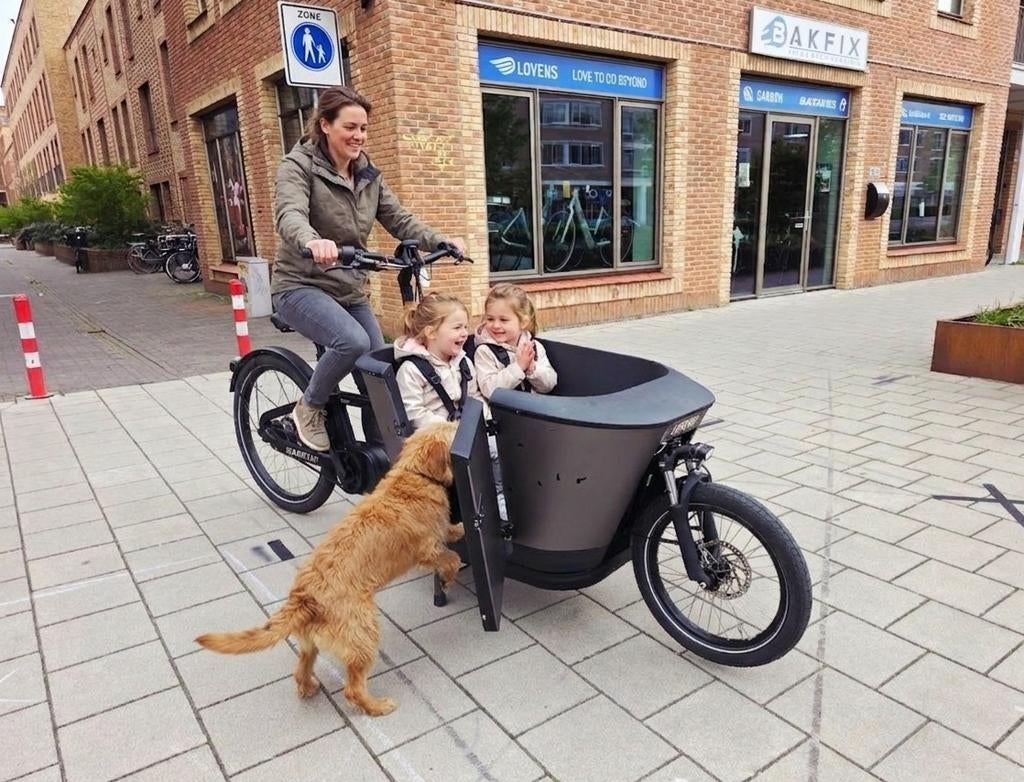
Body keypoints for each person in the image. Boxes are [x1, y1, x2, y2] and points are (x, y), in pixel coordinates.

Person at [273, 85, 465, 452]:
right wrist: (312, 241)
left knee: (380, 373)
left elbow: (399, 219)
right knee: (353, 341)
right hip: (300, 284)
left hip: (348, 287)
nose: (358, 136)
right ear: (325, 125)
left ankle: (383, 457)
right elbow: (289, 214)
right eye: (350, 127)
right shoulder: (297, 166)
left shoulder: (367, 174)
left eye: (363, 128)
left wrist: (442, 241)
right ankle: (308, 408)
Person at [394, 292, 485, 431]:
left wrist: (485, 417)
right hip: (432, 439)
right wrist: (447, 428)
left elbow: (473, 397)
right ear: (431, 333)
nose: (465, 333)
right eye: (457, 327)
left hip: (464, 434)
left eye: (465, 327)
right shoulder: (411, 370)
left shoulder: (464, 363)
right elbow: (413, 413)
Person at [474, 283, 557, 399]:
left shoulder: (534, 347)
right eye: (490, 319)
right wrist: (518, 367)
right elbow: (489, 390)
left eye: (503, 320)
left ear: (523, 322)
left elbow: (549, 385)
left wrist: (533, 369)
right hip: (504, 414)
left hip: (535, 409)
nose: (496, 325)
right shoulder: (484, 351)